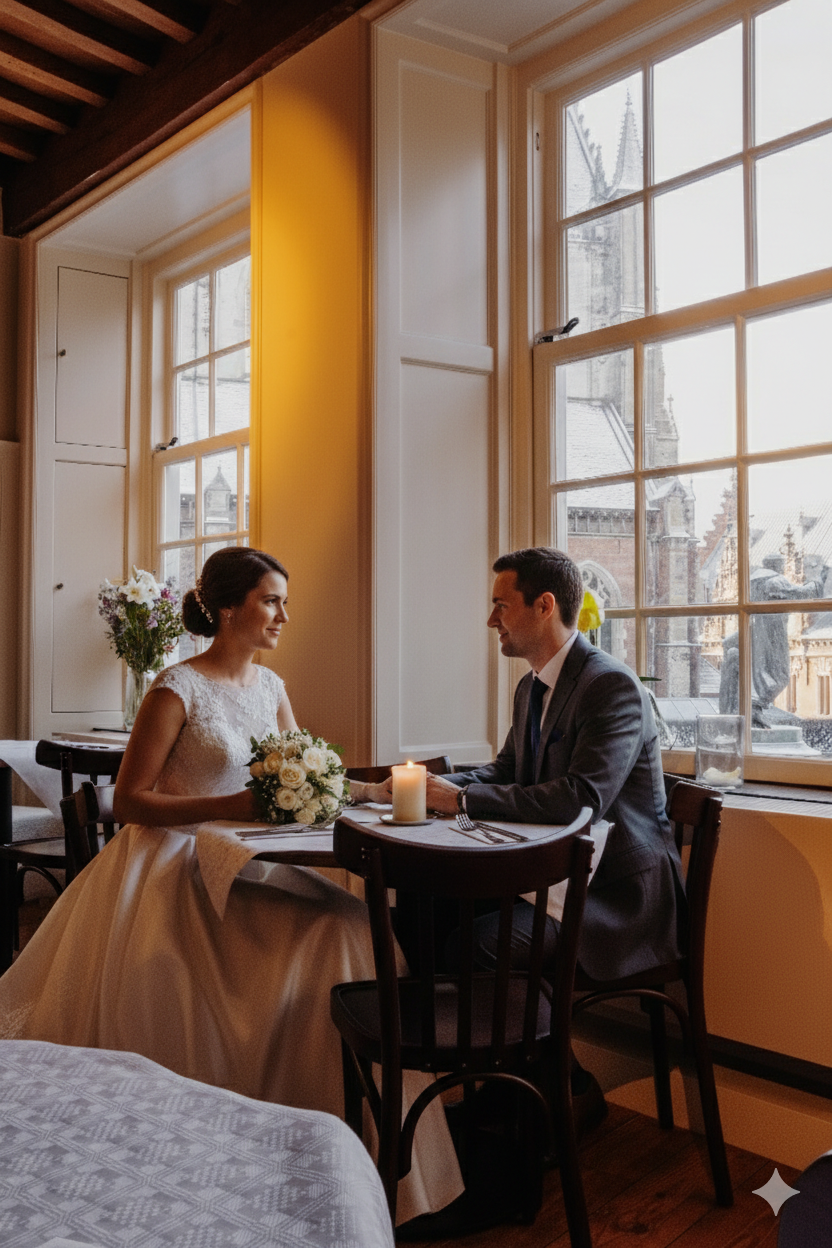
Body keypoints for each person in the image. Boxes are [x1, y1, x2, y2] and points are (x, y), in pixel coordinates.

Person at [0, 547, 462, 1226]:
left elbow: (309, 771)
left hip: (251, 857)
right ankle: (264, 1123)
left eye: (282, 601)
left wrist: (376, 788)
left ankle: (355, 1153)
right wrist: (228, 808)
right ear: (226, 608)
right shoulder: (175, 687)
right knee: (333, 931)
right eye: (270, 600)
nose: (283, 615)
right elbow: (130, 801)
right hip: (173, 866)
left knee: (354, 919)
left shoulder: (271, 688)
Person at [390, 546, 685, 1234]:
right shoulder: (532, 687)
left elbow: (580, 798)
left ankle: (516, 1144)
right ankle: (489, 1115)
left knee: (482, 946)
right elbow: (507, 770)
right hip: (557, 878)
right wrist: (439, 786)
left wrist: (459, 806)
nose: (491, 619)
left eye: (501, 604)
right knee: (428, 909)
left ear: (544, 606)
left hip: (616, 897)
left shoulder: (610, 686)